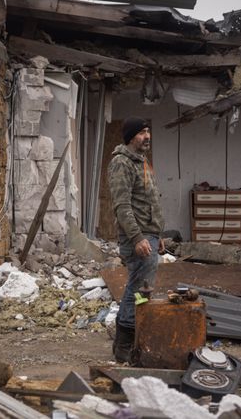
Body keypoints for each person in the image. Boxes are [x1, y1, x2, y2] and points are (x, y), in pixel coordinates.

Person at [107, 117, 164, 363]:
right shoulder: (121, 163)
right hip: (137, 237)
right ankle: (124, 346)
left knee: (142, 289)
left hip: (148, 235)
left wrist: (156, 236)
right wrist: (139, 237)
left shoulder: (141, 162)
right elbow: (122, 206)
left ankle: (130, 342)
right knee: (137, 289)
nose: (147, 136)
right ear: (131, 137)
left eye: (148, 132)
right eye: (142, 133)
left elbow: (148, 203)